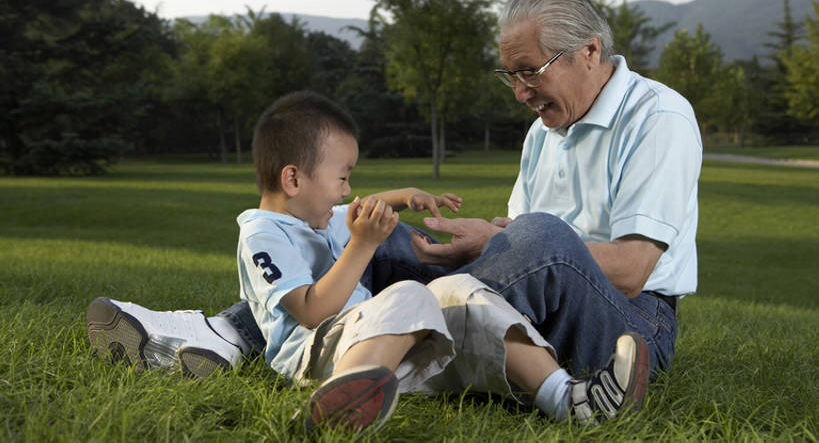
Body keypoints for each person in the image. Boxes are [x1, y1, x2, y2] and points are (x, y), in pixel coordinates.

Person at [89, 0, 700, 423]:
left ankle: (339, 339)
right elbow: (515, 234)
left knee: (540, 236)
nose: (519, 93)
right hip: (541, 285)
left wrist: (503, 240)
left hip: (629, 319)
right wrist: (472, 239)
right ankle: (237, 330)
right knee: (380, 237)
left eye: (529, 71)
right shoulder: (546, 129)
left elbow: (631, 268)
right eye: (509, 75)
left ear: (589, 51)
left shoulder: (659, 117)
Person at [89, 91, 650, 432]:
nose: (348, 191)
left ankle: (570, 399)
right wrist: (360, 247)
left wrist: (407, 197)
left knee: (469, 295)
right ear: (293, 179)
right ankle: (349, 395)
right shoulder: (263, 235)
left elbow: (361, 207)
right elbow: (311, 312)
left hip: (379, 339)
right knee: (407, 295)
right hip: (320, 353)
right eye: (342, 176)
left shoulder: (316, 213)